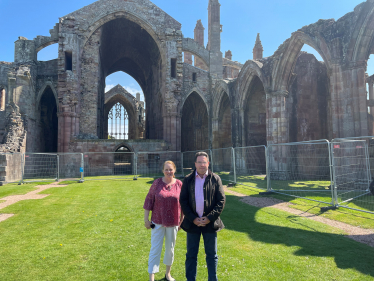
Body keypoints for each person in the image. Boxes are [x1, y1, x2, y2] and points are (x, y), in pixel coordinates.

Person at [179, 152, 226, 281]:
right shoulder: (188, 179)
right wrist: (193, 218)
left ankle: (212, 279)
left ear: (208, 163)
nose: (202, 164)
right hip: (192, 223)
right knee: (191, 255)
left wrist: (209, 218)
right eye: (199, 162)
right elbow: (183, 201)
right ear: (195, 164)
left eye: (204, 162)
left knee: (212, 255)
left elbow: (221, 201)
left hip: (210, 224)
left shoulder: (215, 179)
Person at [143, 160, 183, 281]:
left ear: (174, 170)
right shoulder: (157, 183)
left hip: (174, 222)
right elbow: (149, 200)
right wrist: (146, 220)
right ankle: (152, 277)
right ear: (163, 171)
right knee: (155, 248)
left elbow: (183, 203)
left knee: (170, 249)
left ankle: (168, 274)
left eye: (171, 169)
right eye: (166, 169)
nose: (168, 171)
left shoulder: (179, 184)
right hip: (157, 221)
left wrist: (182, 220)